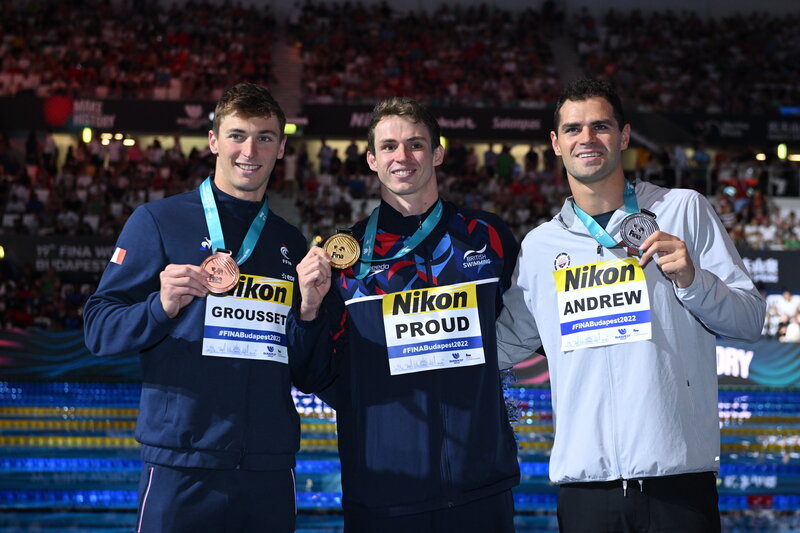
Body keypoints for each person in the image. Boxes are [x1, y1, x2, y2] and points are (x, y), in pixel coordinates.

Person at [495, 78, 765, 533]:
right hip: (586, 492)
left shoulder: (683, 209)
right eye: (574, 129)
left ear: (623, 137)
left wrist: (693, 281)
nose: (587, 138)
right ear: (555, 143)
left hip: (678, 484)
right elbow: (501, 343)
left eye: (600, 126)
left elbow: (750, 319)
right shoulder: (541, 247)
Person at [84, 83, 325, 532]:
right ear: (214, 141)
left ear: (281, 148)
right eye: (237, 135)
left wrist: (309, 315)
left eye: (265, 137)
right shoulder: (157, 221)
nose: (249, 150)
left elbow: (306, 371)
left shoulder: (290, 241)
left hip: (268, 468)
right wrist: (161, 306)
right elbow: (99, 329)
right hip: (182, 464)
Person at [288, 97, 520, 532]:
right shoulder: (345, 260)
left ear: (437, 154)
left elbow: (531, 330)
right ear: (373, 160)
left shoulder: (487, 238)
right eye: (389, 146)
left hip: (482, 489)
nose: (403, 156)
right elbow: (311, 373)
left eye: (415, 144)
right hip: (385, 494)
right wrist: (309, 307)